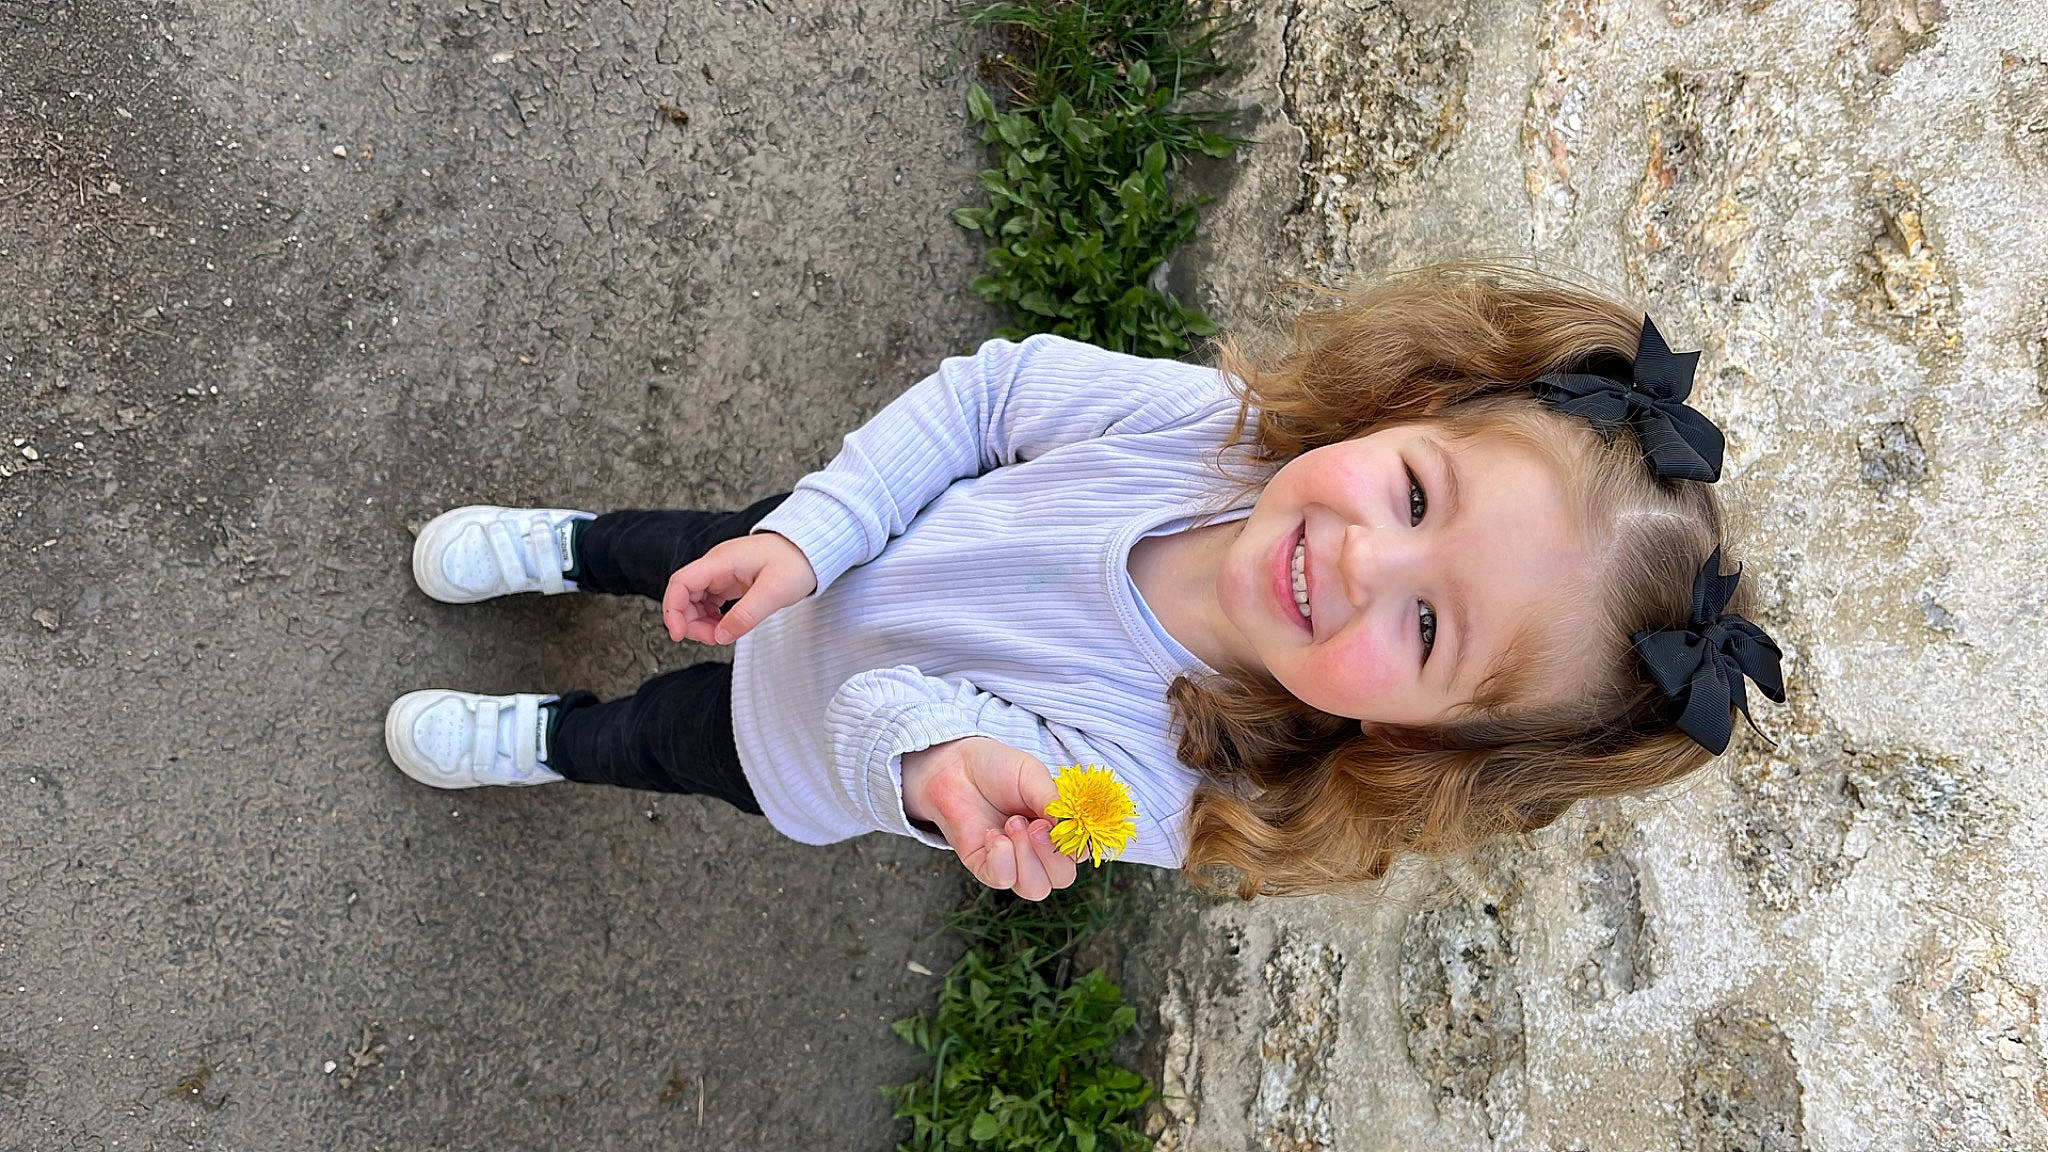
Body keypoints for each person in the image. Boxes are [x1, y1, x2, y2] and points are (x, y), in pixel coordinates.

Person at [383, 263, 1783, 901]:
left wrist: (935, 769)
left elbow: (887, 723)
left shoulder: (1171, 790)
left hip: (795, 744)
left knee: (660, 739)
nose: (1365, 557)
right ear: (1409, 404)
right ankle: (565, 550)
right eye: (1417, 492)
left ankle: (552, 738)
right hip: (844, 540)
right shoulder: (1218, 436)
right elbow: (993, 398)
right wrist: (817, 532)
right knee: (678, 551)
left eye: (1428, 626)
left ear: (1423, 740)